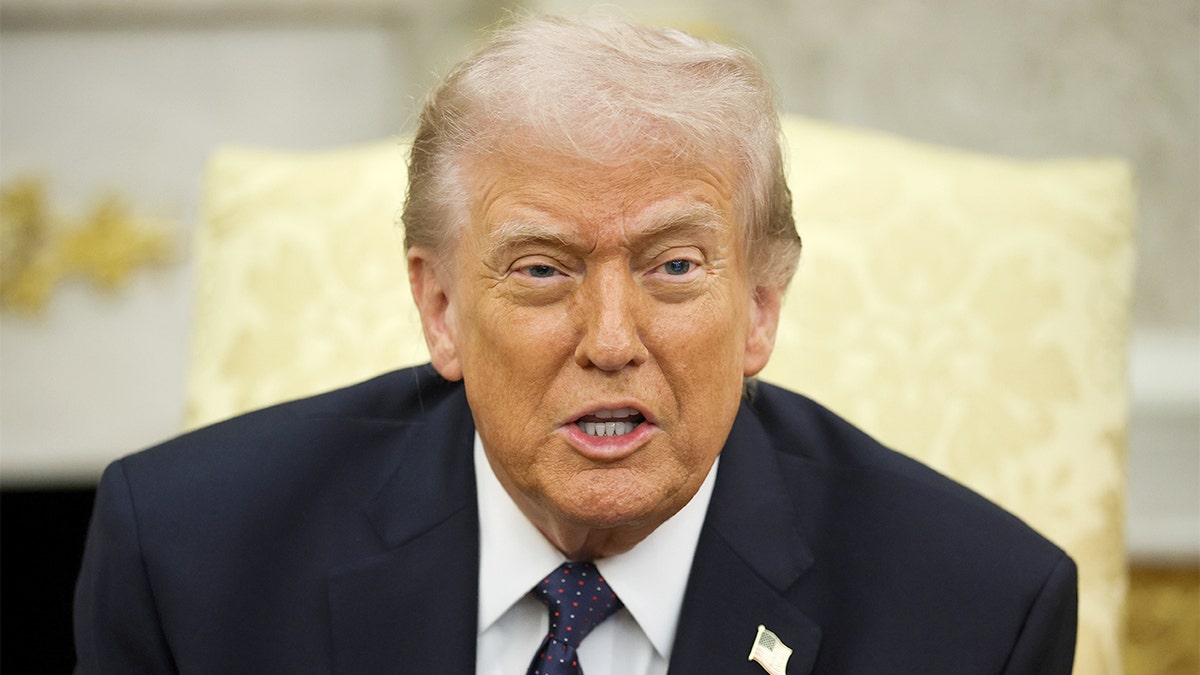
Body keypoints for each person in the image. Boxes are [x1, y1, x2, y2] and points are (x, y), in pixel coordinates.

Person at [73, 14, 1077, 674]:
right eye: (543, 269)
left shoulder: (977, 616)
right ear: (440, 309)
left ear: (763, 306)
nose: (610, 342)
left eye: (675, 267)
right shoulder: (187, 561)